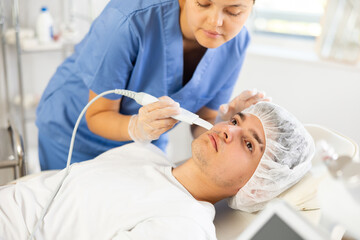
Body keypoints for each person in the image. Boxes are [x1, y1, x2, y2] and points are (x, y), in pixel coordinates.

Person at [0, 102, 314, 239]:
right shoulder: (145, 151)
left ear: (257, 185)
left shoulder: (183, 228)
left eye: (249, 145)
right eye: (235, 121)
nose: (229, 131)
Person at [36, 0, 268, 170]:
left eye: (234, 11)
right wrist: (137, 128)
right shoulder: (129, 18)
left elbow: (201, 121)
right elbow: (97, 114)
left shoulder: (235, 44)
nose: (216, 22)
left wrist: (220, 124)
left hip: (144, 143)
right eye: (203, 3)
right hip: (74, 134)